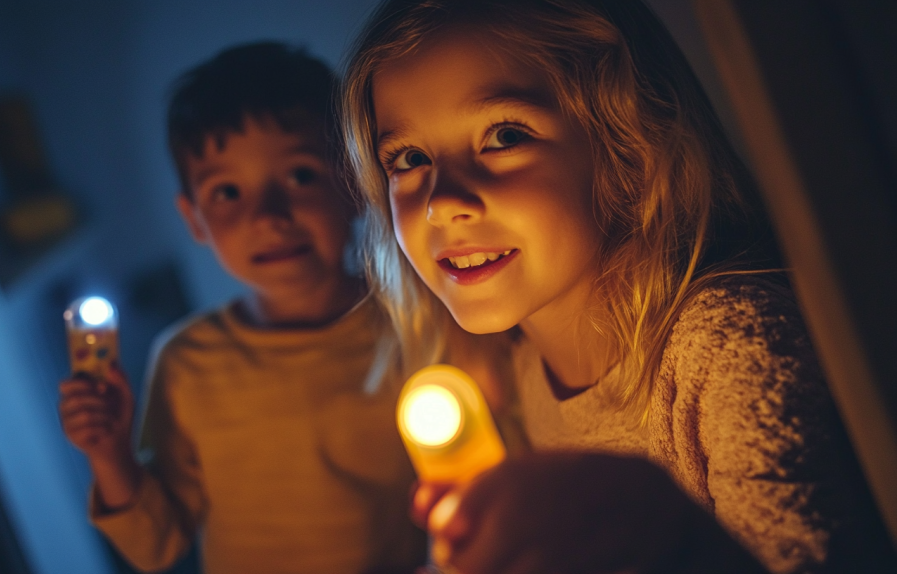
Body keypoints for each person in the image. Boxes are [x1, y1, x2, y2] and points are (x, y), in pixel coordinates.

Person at [340, 1, 897, 572]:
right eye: (409, 157)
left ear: (627, 149)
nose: (442, 203)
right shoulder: (516, 371)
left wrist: (670, 529)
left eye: (504, 135)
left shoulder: (728, 348)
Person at [58, 42, 425, 574]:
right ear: (195, 219)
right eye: (228, 192)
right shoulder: (187, 364)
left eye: (300, 175)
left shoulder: (412, 323)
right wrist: (109, 455)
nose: (268, 215)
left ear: (353, 180)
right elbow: (154, 548)